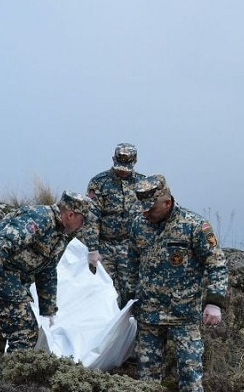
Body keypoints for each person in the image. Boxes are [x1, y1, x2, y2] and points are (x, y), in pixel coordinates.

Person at [125, 174, 228, 392]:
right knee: (147, 379)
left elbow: (216, 264)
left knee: (190, 376)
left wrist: (214, 302)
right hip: (148, 315)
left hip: (183, 315)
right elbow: (131, 262)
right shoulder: (138, 224)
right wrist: (128, 298)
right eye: (142, 208)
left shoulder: (195, 226)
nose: (145, 213)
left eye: (150, 208)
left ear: (167, 202)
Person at [0, 190, 94, 352]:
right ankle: (13, 375)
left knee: (26, 330)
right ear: (70, 215)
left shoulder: (59, 233)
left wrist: (48, 311)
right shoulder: (39, 219)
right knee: (25, 331)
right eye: (83, 220)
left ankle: (12, 370)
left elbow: (47, 272)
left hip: (10, 279)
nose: (83, 225)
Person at [79, 142, 146, 307]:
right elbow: (92, 218)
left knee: (131, 291)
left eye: (126, 167)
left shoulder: (143, 184)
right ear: (113, 159)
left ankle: (131, 329)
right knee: (104, 290)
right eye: (119, 167)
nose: (122, 171)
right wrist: (93, 249)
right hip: (105, 246)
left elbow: (149, 217)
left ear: (135, 162)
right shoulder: (99, 182)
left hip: (130, 247)